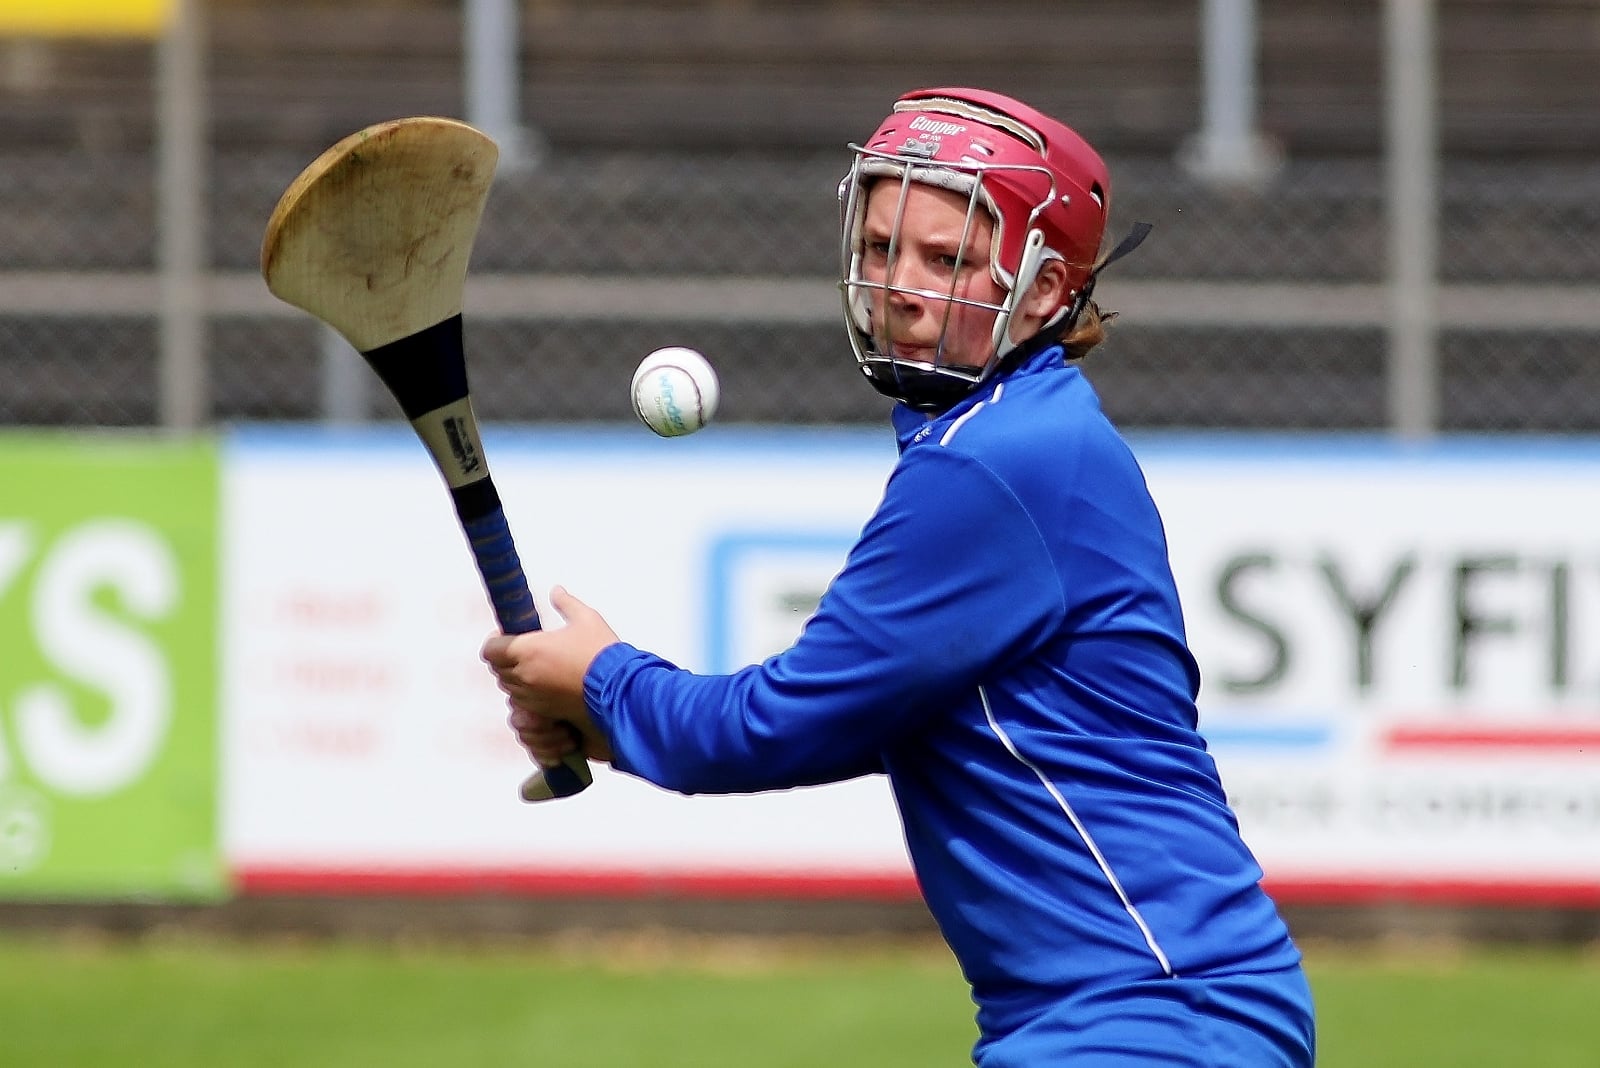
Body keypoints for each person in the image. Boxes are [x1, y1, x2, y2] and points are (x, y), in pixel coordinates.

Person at [482, 86, 1317, 1066]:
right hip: (1139, 1011)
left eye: (947, 258)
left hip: (1152, 1016)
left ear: (1046, 289)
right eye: (882, 249)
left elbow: (775, 723)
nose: (900, 285)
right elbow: (872, 721)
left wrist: (604, 680)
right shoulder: (1014, 436)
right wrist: (606, 723)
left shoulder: (996, 464)